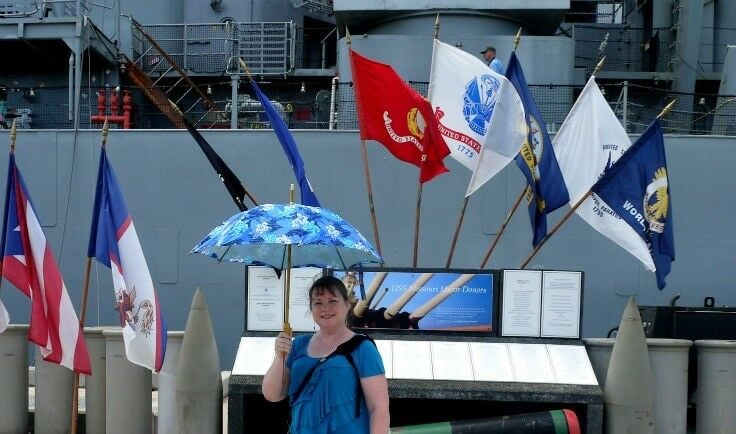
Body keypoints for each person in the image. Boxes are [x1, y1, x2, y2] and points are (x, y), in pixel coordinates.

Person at [262, 275, 390, 434]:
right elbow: (272, 395)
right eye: (318, 303)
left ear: (347, 305)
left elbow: (379, 408)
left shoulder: (363, 348)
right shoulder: (298, 345)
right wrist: (280, 356)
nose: (325, 308)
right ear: (311, 308)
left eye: (333, 301)